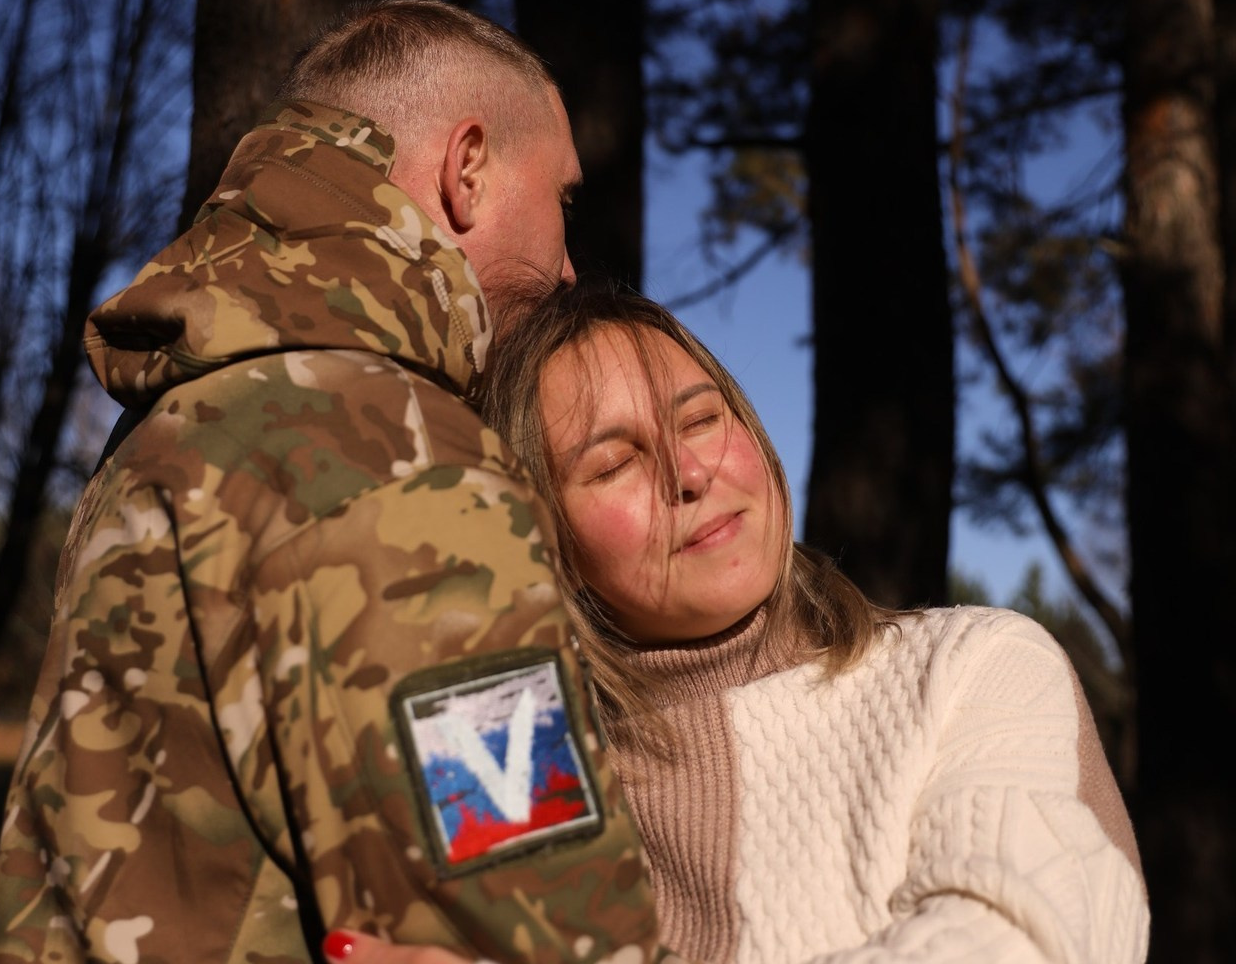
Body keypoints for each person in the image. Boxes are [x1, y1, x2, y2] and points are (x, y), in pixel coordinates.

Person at [0, 1, 669, 964]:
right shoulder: (397, 456)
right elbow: (551, 936)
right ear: (467, 168)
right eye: (562, 200)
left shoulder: (178, 419)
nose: (567, 267)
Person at [333, 281, 1150, 964]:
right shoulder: (506, 756)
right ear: (540, 533)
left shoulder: (974, 668)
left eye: (701, 420)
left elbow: (1012, 943)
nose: (689, 474)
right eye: (614, 462)